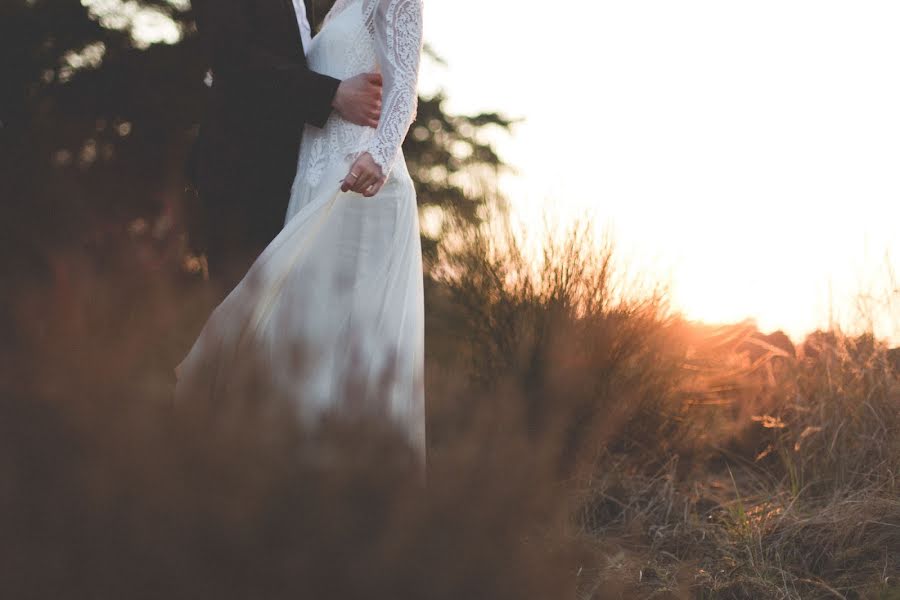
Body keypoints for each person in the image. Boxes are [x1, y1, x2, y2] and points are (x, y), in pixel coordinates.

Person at [176, 0, 427, 468]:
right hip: (272, 182)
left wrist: (380, 153)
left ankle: (328, 478)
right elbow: (233, 58)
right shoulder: (334, 12)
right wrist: (330, 92)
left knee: (331, 340)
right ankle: (240, 474)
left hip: (350, 183)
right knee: (275, 332)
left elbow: (403, 86)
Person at [190, 0, 385, 294]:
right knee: (241, 314)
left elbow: (292, 56)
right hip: (242, 171)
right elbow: (230, 57)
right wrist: (332, 93)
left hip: (297, 172)